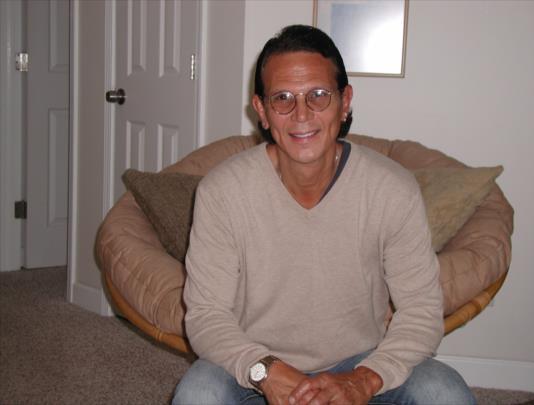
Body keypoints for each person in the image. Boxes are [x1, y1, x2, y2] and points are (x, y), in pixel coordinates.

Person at [172, 25, 476, 405]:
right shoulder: (221, 192)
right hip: (254, 367)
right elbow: (206, 315)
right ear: (262, 111)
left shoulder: (392, 189)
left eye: (318, 95)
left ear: (345, 102)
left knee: (444, 392)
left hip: (360, 363)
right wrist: (265, 371)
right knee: (198, 393)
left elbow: (421, 311)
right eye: (283, 98)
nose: (301, 114)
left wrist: (364, 380)